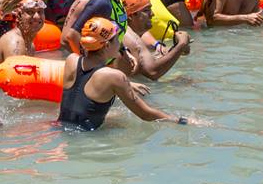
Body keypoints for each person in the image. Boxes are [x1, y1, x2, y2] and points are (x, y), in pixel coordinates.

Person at [58, 17, 187, 131]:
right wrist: (178, 120)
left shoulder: (72, 60)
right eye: (117, 40)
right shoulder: (115, 77)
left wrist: (127, 84)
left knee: (116, 118)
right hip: (85, 138)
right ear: (107, 45)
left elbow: (84, 86)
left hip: (60, 127)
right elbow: (146, 114)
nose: (120, 44)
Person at [0, 0, 46, 70]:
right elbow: (17, 80)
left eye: (40, 11)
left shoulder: (30, 45)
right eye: (30, 12)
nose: (37, 16)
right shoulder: (16, 43)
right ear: (18, 16)